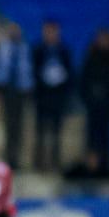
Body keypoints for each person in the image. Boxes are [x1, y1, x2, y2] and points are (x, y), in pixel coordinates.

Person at [78, 28, 109, 167]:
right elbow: (83, 81)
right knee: (91, 135)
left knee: (106, 135)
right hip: (92, 105)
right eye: (101, 39)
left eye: (106, 39)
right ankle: (90, 166)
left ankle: (104, 164)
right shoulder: (90, 57)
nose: (104, 42)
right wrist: (89, 99)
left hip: (108, 105)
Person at [0, 21, 32, 169]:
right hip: (5, 91)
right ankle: (4, 157)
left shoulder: (25, 48)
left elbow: (29, 72)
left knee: (18, 127)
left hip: (19, 92)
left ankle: (15, 158)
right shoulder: (1, 48)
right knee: (5, 125)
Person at [31, 19, 74, 171]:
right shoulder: (37, 50)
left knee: (56, 131)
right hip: (42, 97)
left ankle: (55, 162)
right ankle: (39, 163)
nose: (50, 34)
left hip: (58, 97)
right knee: (40, 131)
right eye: (47, 31)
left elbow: (70, 74)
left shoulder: (64, 50)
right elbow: (32, 73)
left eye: (53, 31)